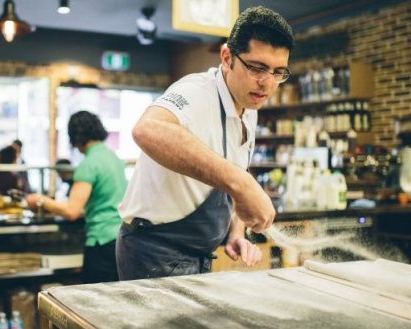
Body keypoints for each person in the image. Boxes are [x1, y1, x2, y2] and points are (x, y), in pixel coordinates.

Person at [116, 6, 294, 280]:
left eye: (278, 72)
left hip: (198, 254)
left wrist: (235, 232)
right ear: (226, 57)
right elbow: (147, 130)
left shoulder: (250, 106)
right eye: (257, 68)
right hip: (153, 252)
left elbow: (230, 169)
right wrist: (244, 185)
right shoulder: (197, 92)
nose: (267, 83)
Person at [26, 111, 127, 283]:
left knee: (94, 302)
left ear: (76, 136)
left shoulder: (89, 163)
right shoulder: (113, 157)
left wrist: (39, 200)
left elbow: (72, 211)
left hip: (101, 241)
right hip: (121, 238)